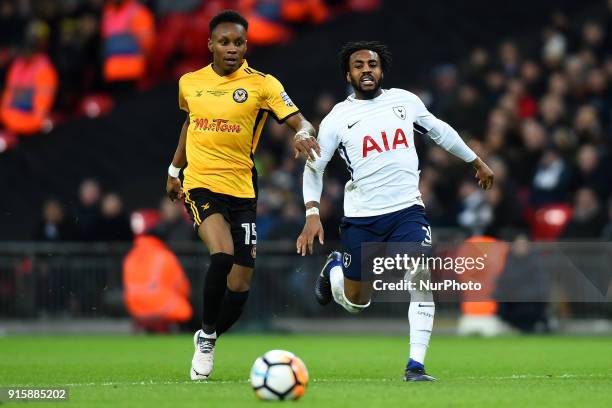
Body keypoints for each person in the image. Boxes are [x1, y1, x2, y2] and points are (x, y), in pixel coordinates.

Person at [296, 41, 494, 382]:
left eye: (372, 64)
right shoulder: (337, 120)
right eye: (358, 65)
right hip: (362, 218)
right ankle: (335, 271)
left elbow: (440, 131)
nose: (366, 70)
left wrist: (474, 160)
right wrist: (312, 212)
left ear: (381, 70)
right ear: (349, 74)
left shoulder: (404, 101)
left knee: (419, 275)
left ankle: (415, 366)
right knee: (358, 303)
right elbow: (314, 168)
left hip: (407, 211)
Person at [164, 10, 319, 380]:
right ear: (210, 45)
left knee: (240, 284)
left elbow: (300, 120)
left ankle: (209, 334)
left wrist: (301, 133)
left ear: (246, 45)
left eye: (238, 42)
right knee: (222, 256)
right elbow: (191, 123)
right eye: (224, 42)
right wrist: (174, 171)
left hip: (242, 190)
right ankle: (204, 341)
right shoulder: (190, 83)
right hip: (201, 184)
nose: (231, 48)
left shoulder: (263, 85)